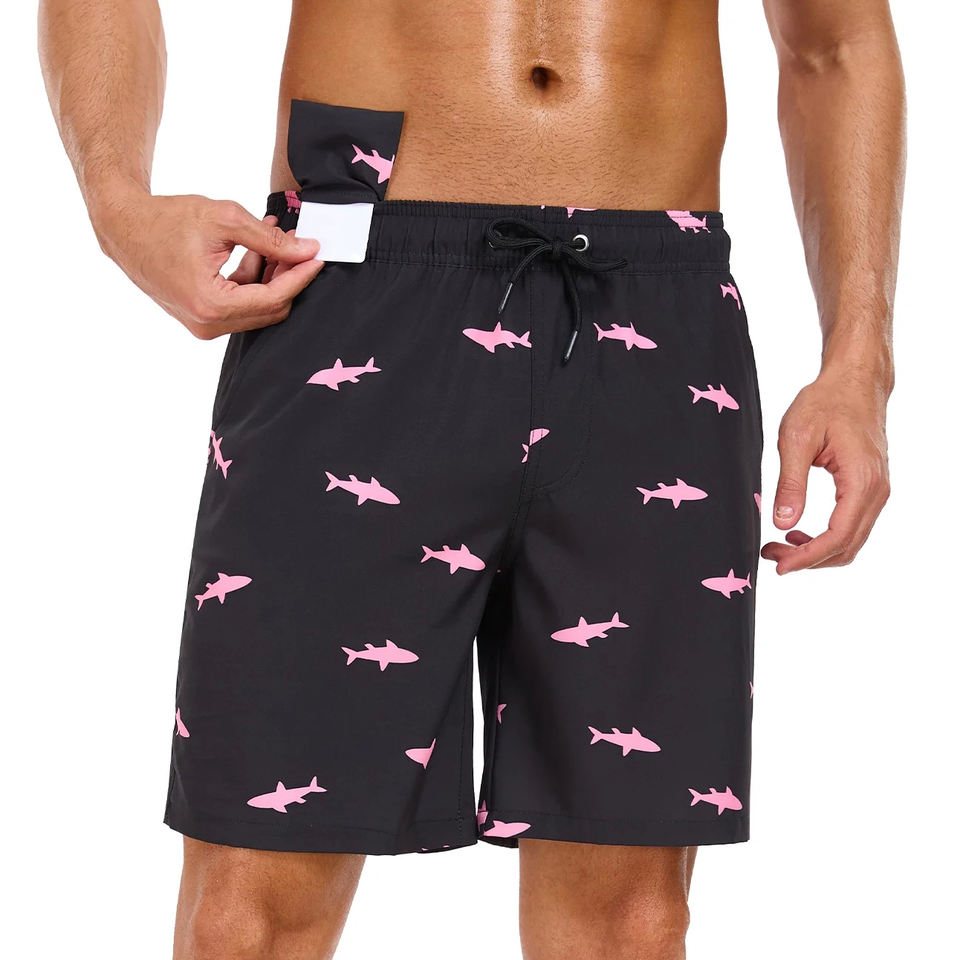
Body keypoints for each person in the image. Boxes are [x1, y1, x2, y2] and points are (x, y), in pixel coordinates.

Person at [38, 1, 903, 957]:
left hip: (655, 310)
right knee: (249, 918)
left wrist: (859, 359)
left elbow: (834, 42)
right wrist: (117, 203)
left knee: (632, 922)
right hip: (357, 282)